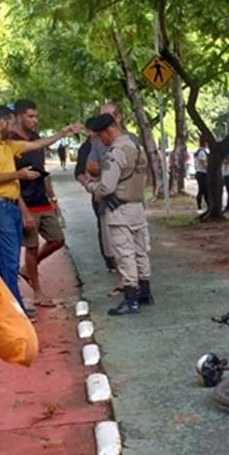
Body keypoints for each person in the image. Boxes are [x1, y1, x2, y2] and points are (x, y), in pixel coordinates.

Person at [0, 105, 80, 317]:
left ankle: (13, 308)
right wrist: (18, 175)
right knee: (9, 260)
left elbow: (37, 144)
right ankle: (15, 311)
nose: (12, 125)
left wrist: (62, 133)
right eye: (11, 121)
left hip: (11, 206)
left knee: (11, 260)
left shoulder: (8, 145)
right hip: (0, 207)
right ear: (3, 122)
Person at [78, 113, 153, 316]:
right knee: (141, 251)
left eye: (100, 136)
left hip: (119, 210)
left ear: (109, 130)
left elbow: (106, 187)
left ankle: (131, 299)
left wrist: (90, 185)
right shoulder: (135, 146)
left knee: (125, 254)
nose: (100, 140)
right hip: (137, 206)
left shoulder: (115, 152)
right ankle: (145, 292)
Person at [10, 100, 66, 308]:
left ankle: (27, 270)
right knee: (31, 248)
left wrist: (52, 198)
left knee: (57, 239)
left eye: (36, 116)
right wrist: (22, 210)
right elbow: (12, 181)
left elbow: (43, 171)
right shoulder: (10, 142)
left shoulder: (36, 140)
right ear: (18, 117)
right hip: (24, 202)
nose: (35, 120)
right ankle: (37, 292)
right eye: (30, 116)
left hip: (42, 200)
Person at [194, 140, 209, 213]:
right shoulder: (202, 152)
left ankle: (208, 206)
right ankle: (199, 207)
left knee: (206, 191)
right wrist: (209, 169)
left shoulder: (201, 151)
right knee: (202, 190)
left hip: (201, 172)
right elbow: (203, 163)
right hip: (202, 173)